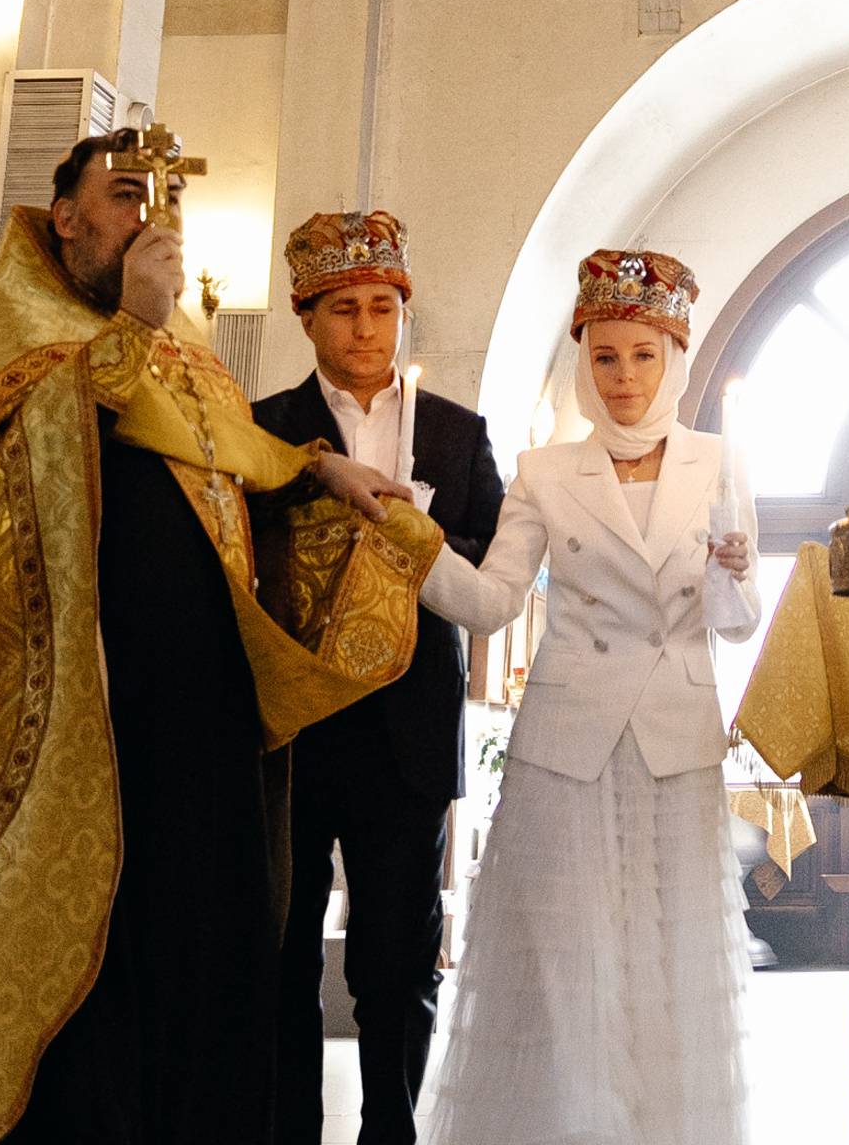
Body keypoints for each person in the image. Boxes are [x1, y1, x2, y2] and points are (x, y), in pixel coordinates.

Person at [0, 132, 434, 1145]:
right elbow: (22, 454)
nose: (151, 216)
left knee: (214, 931)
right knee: (111, 948)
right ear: (69, 217)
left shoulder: (187, 354)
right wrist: (131, 323)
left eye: (161, 197)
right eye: (127, 194)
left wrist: (320, 470)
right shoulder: (21, 333)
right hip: (82, 718)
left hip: (206, 709)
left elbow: (230, 453)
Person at [413, 248, 760, 1145]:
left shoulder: (719, 464)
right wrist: (410, 545)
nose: (623, 378)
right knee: (567, 967)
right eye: (605, 356)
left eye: (643, 355)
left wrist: (735, 574)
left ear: (674, 358)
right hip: (569, 749)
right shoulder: (543, 472)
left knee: (668, 961)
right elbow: (490, 603)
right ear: (584, 361)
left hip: (674, 743)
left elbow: (732, 622)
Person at [256, 211, 505, 1145]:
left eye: (382, 307)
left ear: (402, 312)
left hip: (408, 728)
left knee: (398, 958)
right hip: (297, 725)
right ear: (308, 320)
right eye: (344, 310)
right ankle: (287, 1130)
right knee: (282, 950)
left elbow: (491, 553)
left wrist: (419, 544)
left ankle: (391, 1129)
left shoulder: (456, 431)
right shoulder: (268, 428)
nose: (365, 327)